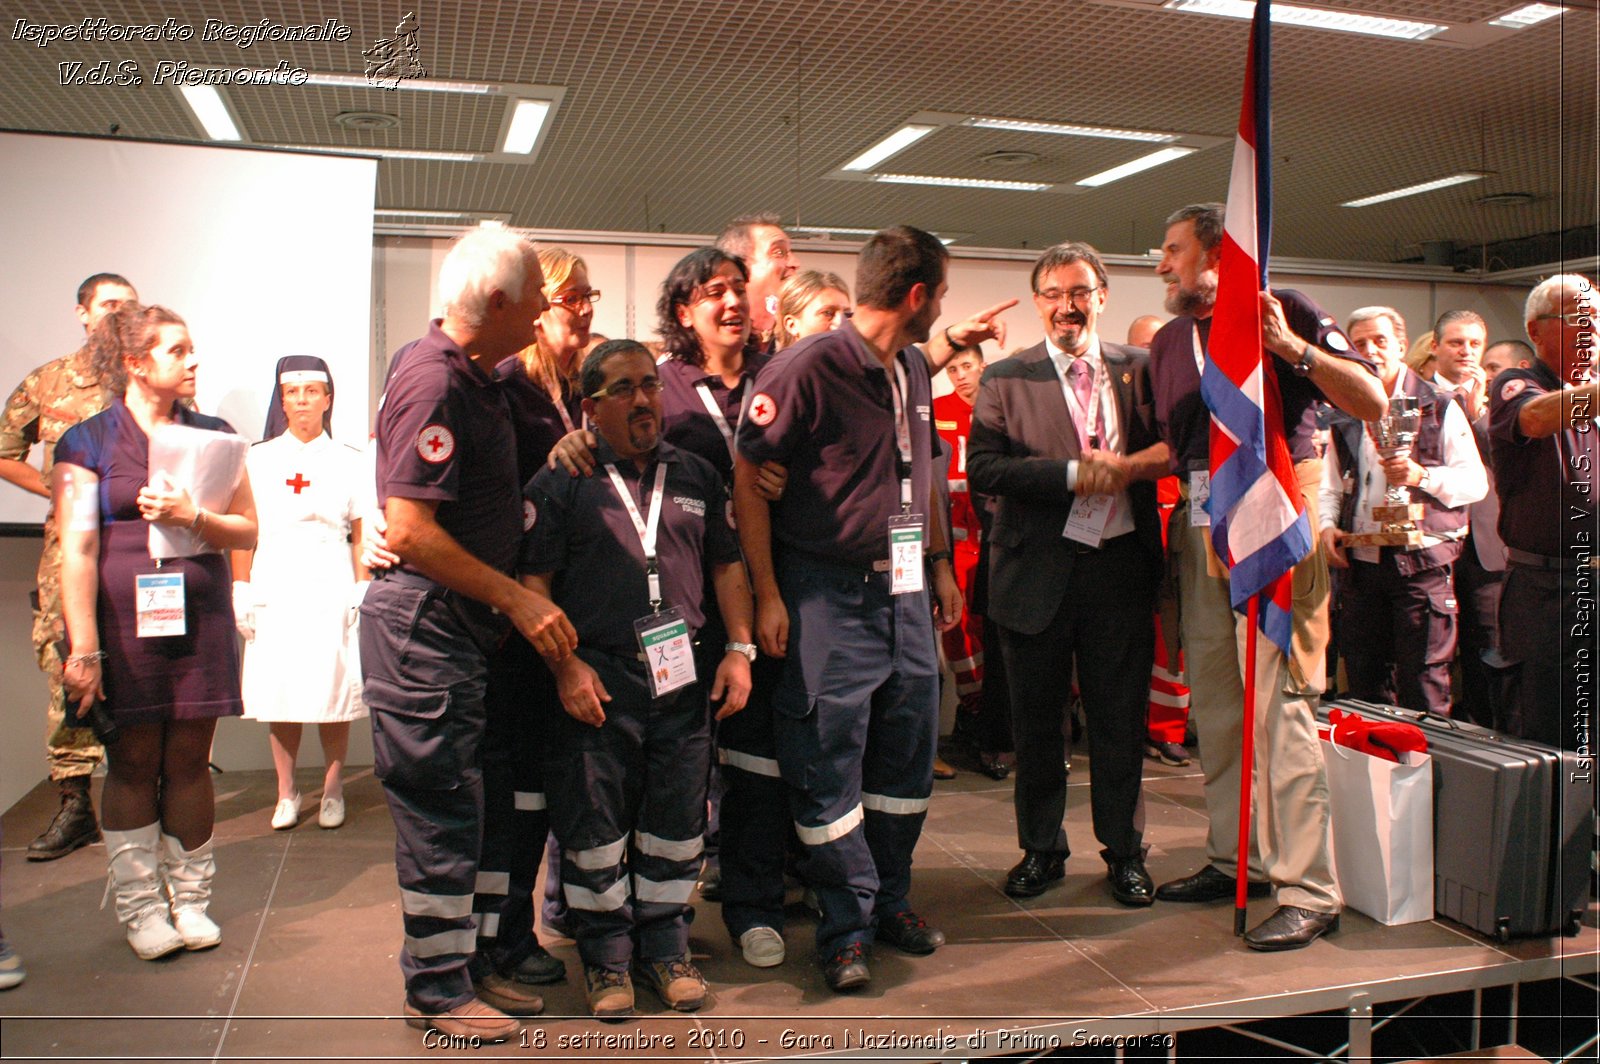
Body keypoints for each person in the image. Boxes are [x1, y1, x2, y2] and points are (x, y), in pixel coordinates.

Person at [1147, 203, 1385, 951]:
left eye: (1173, 250)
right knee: (1216, 706)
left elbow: (1372, 401)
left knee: (1279, 709)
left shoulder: (1287, 310)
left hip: (1278, 526)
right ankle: (1236, 857)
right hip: (1201, 530)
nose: (1162, 264)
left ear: (1218, 251)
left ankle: (1310, 888)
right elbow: (1174, 446)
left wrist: (1291, 349)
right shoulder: (1165, 342)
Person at [734, 225, 962, 992]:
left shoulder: (917, 368)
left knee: (905, 757)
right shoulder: (807, 366)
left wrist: (939, 568)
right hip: (825, 593)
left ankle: (889, 899)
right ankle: (844, 928)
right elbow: (748, 479)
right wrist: (768, 593)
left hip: (903, 592)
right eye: (942, 293)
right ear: (919, 295)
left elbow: (921, 478)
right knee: (826, 762)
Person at [362, 228, 576, 1042]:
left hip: (457, 634)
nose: (544, 311)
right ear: (496, 302)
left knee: (469, 809)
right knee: (441, 812)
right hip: (427, 629)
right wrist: (518, 601)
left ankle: (467, 968)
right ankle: (437, 990)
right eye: (535, 298)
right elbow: (410, 530)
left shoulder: (474, 378)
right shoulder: (433, 381)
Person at [521, 339, 754, 1019]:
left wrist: (739, 650)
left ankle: (666, 948)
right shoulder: (561, 482)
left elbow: (727, 567)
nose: (645, 399)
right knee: (594, 827)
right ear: (590, 406)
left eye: (650, 384)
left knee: (677, 821)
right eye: (623, 389)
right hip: (598, 678)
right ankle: (605, 959)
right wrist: (564, 666)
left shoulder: (696, 474)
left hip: (683, 676)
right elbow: (534, 588)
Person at [54, 302, 258, 959]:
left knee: (190, 761)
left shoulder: (217, 434)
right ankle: (142, 908)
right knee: (134, 761)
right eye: (178, 350)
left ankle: (191, 901)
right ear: (138, 365)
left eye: (193, 348)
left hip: (198, 622)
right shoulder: (84, 441)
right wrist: (84, 648)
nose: (194, 360)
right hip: (119, 627)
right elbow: (77, 551)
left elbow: (249, 529)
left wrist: (193, 514)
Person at [968, 242, 1169, 905]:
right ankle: (1042, 851)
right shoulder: (1005, 376)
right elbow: (986, 470)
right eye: (1052, 294)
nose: (1066, 306)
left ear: (1103, 297)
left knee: (1118, 723)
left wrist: (1133, 468)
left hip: (1120, 571)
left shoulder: (1141, 369)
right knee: (1037, 726)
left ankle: (1125, 853)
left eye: (1079, 292)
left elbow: (1177, 447)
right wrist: (1071, 475)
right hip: (1035, 576)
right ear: (1037, 303)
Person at [1, 273, 137, 861]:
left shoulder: (147, 378)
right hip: (66, 553)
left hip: (134, 546)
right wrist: (55, 490)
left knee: (140, 658)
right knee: (69, 667)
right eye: (108, 305)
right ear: (83, 313)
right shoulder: (49, 381)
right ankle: (76, 804)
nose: (117, 314)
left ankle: (142, 788)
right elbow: (5, 452)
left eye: (128, 307)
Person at [1318, 307, 1486, 716]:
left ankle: (1428, 775)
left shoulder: (1441, 406)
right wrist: (1325, 527)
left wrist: (1420, 476)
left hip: (1422, 563)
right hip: (1361, 564)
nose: (1371, 351)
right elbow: (1331, 486)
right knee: (1364, 683)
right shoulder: (1343, 408)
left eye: (1380, 341)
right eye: (1359, 344)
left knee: (1423, 682)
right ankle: (1374, 774)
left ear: (1402, 344)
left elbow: (1475, 483)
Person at [233, 357, 368, 830]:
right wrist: (241, 586)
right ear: (283, 401)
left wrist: (363, 586)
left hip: (330, 575)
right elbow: (245, 529)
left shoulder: (350, 460)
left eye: (313, 391)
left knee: (332, 689)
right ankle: (286, 791)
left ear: (328, 399)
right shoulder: (258, 458)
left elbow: (360, 529)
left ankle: (333, 790)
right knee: (282, 689)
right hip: (275, 575)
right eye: (294, 393)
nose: (303, 401)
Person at [1488, 273, 1597, 751]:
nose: (1592, 330)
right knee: (1550, 729)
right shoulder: (1518, 383)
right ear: (1536, 331)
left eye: (1597, 318)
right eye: (1580, 319)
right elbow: (1534, 419)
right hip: (1548, 590)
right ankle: (1550, 826)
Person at [934, 344, 1014, 780]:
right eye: (951, 368)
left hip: (997, 543)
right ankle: (974, 712)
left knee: (997, 635)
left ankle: (996, 725)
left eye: (967, 366)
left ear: (982, 365)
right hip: (955, 546)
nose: (960, 375)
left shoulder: (1000, 405)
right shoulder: (937, 409)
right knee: (959, 633)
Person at [716, 213, 799, 349]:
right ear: (737, 268)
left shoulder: (800, 342)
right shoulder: (710, 351)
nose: (795, 263)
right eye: (779, 252)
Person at [774, 270, 852, 350]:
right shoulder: (784, 362)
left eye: (847, 314)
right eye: (827, 313)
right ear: (792, 325)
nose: (841, 323)